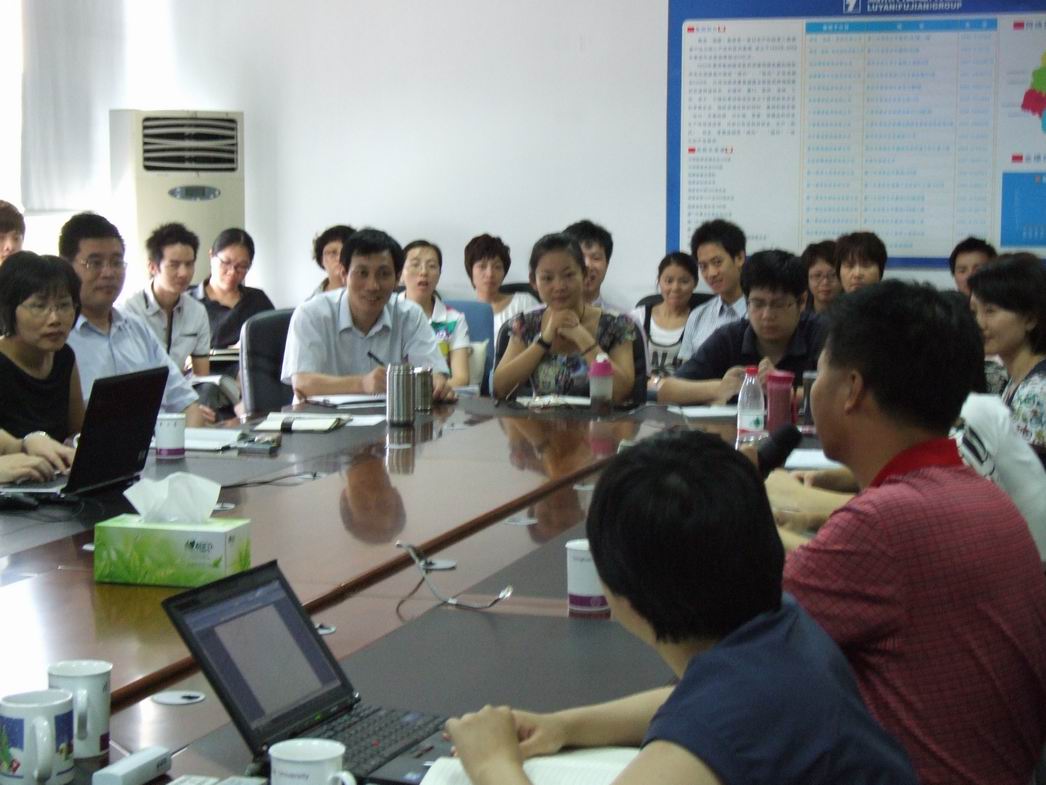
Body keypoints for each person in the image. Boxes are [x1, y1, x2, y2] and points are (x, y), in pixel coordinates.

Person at [445, 430, 918, 785]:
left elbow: (712, 720)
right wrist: (564, 726)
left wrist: (492, 765)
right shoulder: (783, 626)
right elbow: (693, 700)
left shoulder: (707, 741)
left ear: (621, 593)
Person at [783, 279, 1046, 785]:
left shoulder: (884, 522)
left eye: (820, 370)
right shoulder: (979, 495)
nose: (812, 388)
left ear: (852, 389)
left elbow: (730, 638)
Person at [59, 212, 211, 426]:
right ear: (66, 267)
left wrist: (187, 442)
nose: (108, 273)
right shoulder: (58, 339)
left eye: (116, 262)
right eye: (95, 263)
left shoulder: (136, 329)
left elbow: (187, 404)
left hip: (160, 444)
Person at [281, 228, 454, 402]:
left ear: (397, 279)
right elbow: (302, 383)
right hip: (320, 417)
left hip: (389, 416)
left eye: (384, 274)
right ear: (344, 274)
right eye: (362, 273)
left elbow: (433, 373)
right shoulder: (311, 314)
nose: (372, 286)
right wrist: (362, 384)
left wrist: (436, 383)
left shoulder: (410, 315)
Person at [658, 250, 826, 405]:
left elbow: (838, 395)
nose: (767, 315)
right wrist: (720, 388)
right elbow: (667, 390)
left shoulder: (823, 334)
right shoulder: (729, 337)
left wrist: (781, 390)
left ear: (802, 301)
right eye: (758, 304)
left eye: (779, 304)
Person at [493, 233, 636, 402]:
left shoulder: (617, 325)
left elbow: (622, 393)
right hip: (540, 418)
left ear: (584, 274)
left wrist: (582, 337)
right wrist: (544, 340)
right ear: (533, 281)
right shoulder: (526, 324)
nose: (559, 286)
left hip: (600, 418)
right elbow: (500, 389)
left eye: (568, 275)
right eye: (547, 278)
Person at [0, 252, 82, 459]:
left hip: (57, 473)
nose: (55, 319)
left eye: (64, 305)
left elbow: (78, 432)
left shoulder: (64, 356)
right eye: (39, 306)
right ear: (8, 309)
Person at [968, 253, 1046, 463]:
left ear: (1030, 319)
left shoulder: (1036, 392)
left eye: (990, 311)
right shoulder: (1019, 379)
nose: (979, 323)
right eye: (974, 312)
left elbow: (1027, 477)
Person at [121, 222, 211, 376]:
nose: (183, 273)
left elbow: (202, 376)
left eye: (189, 264)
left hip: (181, 389)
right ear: (152, 267)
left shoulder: (197, 312)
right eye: (174, 265)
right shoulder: (129, 310)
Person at [397, 240, 471, 388]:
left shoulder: (454, 319)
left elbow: (461, 378)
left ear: (439, 274)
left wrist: (425, 391)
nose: (423, 272)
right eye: (415, 264)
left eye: (431, 266)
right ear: (400, 274)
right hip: (393, 394)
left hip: (436, 396)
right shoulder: (386, 313)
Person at [191, 228, 274, 349]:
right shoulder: (188, 301)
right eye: (226, 262)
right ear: (211, 256)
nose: (232, 272)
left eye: (242, 266)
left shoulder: (258, 300)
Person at [677, 219, 748, 361]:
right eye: (703, 266)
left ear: (739, 258)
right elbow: (685, 369)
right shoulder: (697, 316)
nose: (711, 274)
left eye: (717, 262)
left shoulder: (763, 314)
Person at [629, 251, 699, 377]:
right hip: (641, 387)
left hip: (682, 388)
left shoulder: (700, 321)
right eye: (669, 281)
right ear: (659, 281)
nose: (675, 288)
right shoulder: (637, 317)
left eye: (684, 281)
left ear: (695, 283)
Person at [563, 219, 627, 314]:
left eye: (596, 258)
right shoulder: (541, 317)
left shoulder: (621, 318)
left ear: (607, 265)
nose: (587, 264)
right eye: (580, 256)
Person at [309, 224, 355, 298]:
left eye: (347, 251)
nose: (340, 258)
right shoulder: (311, 302)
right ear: (321, 260)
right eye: (333, 253)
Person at [800, 240, 840, 313]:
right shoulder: (798, 314)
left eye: (833, 275)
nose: (825, 282)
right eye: (817, 275)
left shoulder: (855, 314)